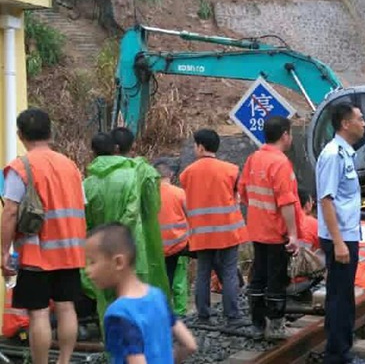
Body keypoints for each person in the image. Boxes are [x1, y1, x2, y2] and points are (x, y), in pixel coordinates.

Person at [1, 109, 86, 364]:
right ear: (51, 132)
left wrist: (4, 251)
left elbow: (10, 212)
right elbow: (82, 203)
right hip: (71, 250)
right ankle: (65, 360)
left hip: (37, 253)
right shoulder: (70, 165)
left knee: (38, 313)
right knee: (66, 306)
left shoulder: (21, 167)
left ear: (19, 135)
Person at [82, 130, 171, 329]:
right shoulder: (135, 174)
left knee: (106, 301)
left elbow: (84, 221)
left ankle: (113, 348)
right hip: (132, 246)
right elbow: (143, 210)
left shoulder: (87, 183)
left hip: (99, 251)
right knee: (135, 297)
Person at [84, 222, 197, 364]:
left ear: (119, 262)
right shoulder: (157, 296)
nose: (88, 271)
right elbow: (189, 344)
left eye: (92, 262)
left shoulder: (118, 314)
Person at [240, 116, 301, 340]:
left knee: (258, 277)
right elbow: (286, 202)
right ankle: (276, 327)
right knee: (276, 280)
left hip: (257, 229)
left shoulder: (253, 158)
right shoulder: (280, 163)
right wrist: (293, 234)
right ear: (285, 134)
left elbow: (244, 192)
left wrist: (259, 213)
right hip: (276, 233)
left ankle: (257, 325)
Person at [180, 129, 248, 327]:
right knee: (228, 272)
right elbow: (237, 195)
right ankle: (232, 316)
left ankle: (203, 316)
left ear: (201, 147)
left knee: (203, 272)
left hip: (201, 234)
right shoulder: (231, 170)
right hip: (227, 230)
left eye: (195, 145)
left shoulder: (187, 174)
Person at [315, 102, 365, 364]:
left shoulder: (345, 153)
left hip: (347, 235)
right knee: (339, 297)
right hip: (340, 238)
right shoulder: (333, 155)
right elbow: (326, 200)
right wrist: (338, 243)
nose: (364, 122)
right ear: (345, 124)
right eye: (359, 118)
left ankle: (341, 350)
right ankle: (337, 355)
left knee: (344, 294)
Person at [153, 158, 189, 289]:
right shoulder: (179, 193)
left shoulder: (149, 194)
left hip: (157, 245)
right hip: (180, 243)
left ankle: (164, 304)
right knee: (210, 258)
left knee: (166, 278)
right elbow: (191, 215)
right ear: (171, 174)